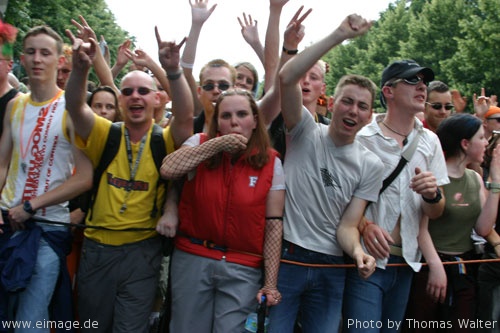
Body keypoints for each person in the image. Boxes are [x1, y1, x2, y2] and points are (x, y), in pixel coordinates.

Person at [65, 25, 193, 332]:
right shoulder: (104, 133)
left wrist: (173, 71)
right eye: (128, 91)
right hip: (97, 251)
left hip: (142, 253)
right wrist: (80, 69)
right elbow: (75, 106)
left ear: (157, 99)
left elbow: (187, 118)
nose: (135, 96)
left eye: (143, 91)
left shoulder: (165, 140)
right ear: (121, 101)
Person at [268, 14, 380, 333]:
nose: (353, 111)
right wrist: (339, 34)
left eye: (361, 106)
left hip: (332, 266)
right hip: (286, 257)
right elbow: (287, 78)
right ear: (331, 102)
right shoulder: (303, 129)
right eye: (347, 102)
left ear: (369, 115)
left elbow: (347, 226)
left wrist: (359, 253)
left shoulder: (371, 165)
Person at [160, 87, 284, 332]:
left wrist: (270, 283)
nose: (234, 122)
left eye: (241, 114)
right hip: (194, 255)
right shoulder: (199, 143)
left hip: (242, 264)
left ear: (255, 120)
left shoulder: (271, 162)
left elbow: (273, 223)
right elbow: (168, 169)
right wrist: (215, 146)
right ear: (217, 121)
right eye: (225, 116)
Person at [343, 59, 449, 333]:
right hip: (367, 261)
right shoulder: (364, 138)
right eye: (412, 80)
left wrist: (432, 194)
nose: (422, 87)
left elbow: (436, 212)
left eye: (423, 81)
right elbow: (340, 200)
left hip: (407, 263)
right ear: (388, 91)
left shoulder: (430, 141)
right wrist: (364, 226)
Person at [0, 25, 93, 332]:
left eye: (45, 53)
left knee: (29, 321)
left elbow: (84, 178)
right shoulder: (15, 105)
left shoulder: (73, 109)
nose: (37, 59)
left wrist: (31, 206)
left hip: (46, 230)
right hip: (6, 226)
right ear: (21, 60)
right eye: (30, 52)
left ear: (59, 60)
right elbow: (3, 164)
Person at [403, 113, 500, 332]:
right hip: (430, 269)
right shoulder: (435, 177)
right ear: (465, 143)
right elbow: (421, 228)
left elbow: (484, 228)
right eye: (481, 138)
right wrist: (437, 268)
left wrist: (496, 180)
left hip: (463, 270)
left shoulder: (474, 178)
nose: (486, 143)